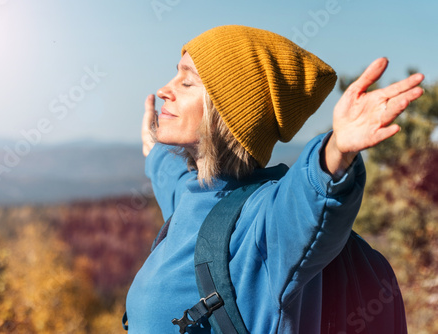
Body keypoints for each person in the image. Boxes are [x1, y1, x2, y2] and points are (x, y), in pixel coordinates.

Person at [125, 25, 424, 333]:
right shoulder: (194, 199)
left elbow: (308, 201)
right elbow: (171, 180)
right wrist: (155, 150)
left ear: (228, 112)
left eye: (187, 82)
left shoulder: (264, 227)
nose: (164, 90)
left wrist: (336, 151)